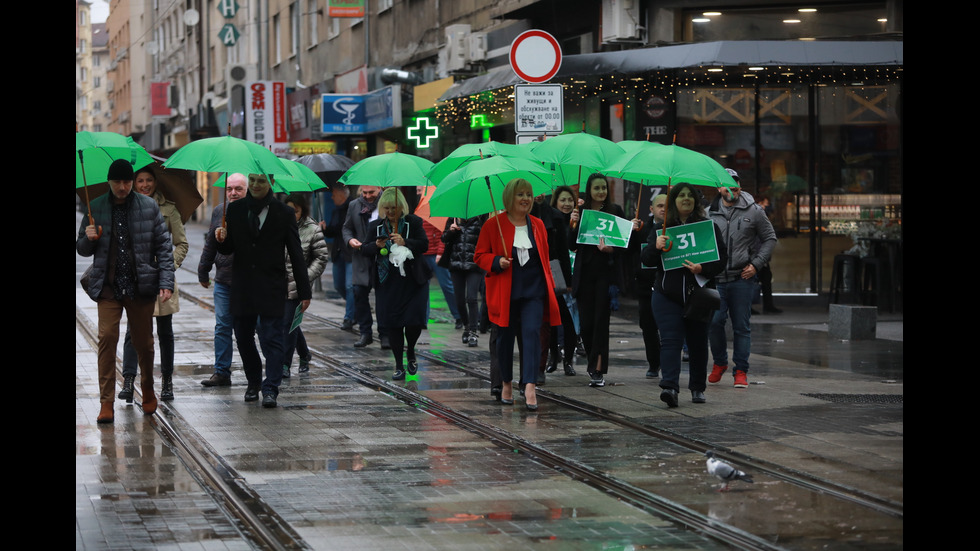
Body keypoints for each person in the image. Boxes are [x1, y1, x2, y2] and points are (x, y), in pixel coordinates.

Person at [77, 159, 175, 423]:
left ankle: (147, 388)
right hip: (108, 287)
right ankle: (105, 401)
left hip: (140, 286)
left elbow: (164, 247)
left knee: (144, 343)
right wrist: (89, 237)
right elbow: (82, 249)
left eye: (127, 182)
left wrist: (166, 282)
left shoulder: (148, 206)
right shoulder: (94, 206)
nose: (123, 187)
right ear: (109, 182)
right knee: (107, 337)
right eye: (118, 182)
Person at [215, 173, 311, 408]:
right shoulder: (235, 210)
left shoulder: (284, 212)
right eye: (253, 180)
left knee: (272, 338)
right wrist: (222, 238)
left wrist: (304, 291)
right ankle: (253, 382)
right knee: (244, 338)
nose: (256, 185)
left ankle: (271, 388)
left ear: (271, 183)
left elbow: (296, 253)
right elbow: (228, 249)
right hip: (242, 286)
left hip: (271, 285)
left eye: (261, 181)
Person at [474, 178, 561, 411]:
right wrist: (496, 261)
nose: (525, 199)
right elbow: (479, 255)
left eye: (528, 194)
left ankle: (530, 384)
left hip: (534, 291)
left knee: (532, 334)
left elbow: (544, 258)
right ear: (509, 198)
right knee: (504, 339)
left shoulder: (538, 225)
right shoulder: (493, 226)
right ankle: (506, 383)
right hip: (505, 292)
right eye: (520, 194)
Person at [641, 182, 726, 407]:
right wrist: (655, 247)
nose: (686, 199)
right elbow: (647, 260)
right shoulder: (661, 228)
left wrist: (702, 269)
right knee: (670, 340)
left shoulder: (708, 227)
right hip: (666, 294)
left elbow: (721, 261)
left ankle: (697, 387)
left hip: (699, 295)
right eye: (681, 196)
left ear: (696, 201)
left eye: (690, 196)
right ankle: (669, 387)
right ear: (674, 202)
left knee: (698, 342)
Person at [120, 166, 188, 402]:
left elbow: (181, 243)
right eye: (140, 180)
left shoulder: (169, 209)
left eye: (149, 180)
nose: (145, 185)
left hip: (162, 279)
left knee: (165, 331)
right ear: (133, 183)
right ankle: (128, 380)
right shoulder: (125, 207)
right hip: (135, 279)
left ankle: (167, 381)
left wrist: (170, 266)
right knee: (133, 331)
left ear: (156, 182)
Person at [707, 169, 777, 389]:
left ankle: (741, 371)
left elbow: (770, 238)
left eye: (735, 184)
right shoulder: (709, 212)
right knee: (714, 322)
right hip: (715, 278)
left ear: (739, 185)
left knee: (741, 326)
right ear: (719, 189)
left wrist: (756, 264)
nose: (731, 189)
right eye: (726, 186)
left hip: (742, 278)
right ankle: (720, 363)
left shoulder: (754, 211)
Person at [360, 188, 429, 380]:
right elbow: (365, 249)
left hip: (413, 281)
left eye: (394, 208)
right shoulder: (376, 226)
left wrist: (405, 241)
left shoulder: (413, 222)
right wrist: (377, 246)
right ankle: (399, 364)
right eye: (387, 208)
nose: (390, 212)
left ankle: (412, 351)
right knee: (393, 324)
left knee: (414, 322)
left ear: (401, 208)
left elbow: (424, 245)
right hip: (387, 283)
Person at [569, 174, 628, 388]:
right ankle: (593, 359)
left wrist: (610, 249)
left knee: (601, 322)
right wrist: (573, 223)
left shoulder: (616, 211)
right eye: (597, 188)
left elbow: (625, 245)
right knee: (585, 324)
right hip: (584, 275)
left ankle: (597, 368)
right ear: (589, 190)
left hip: (605, 275)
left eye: (603, 187)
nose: (601, 191)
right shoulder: (581, 211)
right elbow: (571, 244)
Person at [198, 173, 247, 387]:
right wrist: (203, 269)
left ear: (247, 190)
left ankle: (261, 373)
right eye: (229, 189)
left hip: (249, 282)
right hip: (223, 280)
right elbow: (210, 242)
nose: (233, 193)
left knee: (250, 329)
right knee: (223, 327)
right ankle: (222, 372)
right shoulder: (220, 211)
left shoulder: (253, 212)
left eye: (238, 189)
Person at [282, 194, 329, 378]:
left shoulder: (312, 229)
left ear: (303, 210)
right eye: (289, 211)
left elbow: (321, 257)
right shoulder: (278, 226)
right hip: (278, 283)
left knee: (288, 324)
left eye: (295, 211)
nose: (292, 215)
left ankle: (284, 365)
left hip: (298, 285)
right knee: (289, 322)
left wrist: (305, 277)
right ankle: (304, 353)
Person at [532, 194, 575, 380]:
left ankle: (566, 359)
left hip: (553, 269)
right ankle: (549, 358)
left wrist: (567, 281)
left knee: (561, 315)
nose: (539, 195)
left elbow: (563, 251)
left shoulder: (554, 216)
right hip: (532, 270)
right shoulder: (523, 215)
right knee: (544, 319)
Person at [342, 185, 387, 348]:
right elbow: (347, 227)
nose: (367, 196)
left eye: (371, 193)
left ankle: (385, 334)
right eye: (364, 193)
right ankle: (365, 332)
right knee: (359, 294)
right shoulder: (354, 205)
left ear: (379, 189)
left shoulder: (387, 202)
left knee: (383, 298)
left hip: (382, 258)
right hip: (361, 256)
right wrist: (349, 240)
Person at [630, 192, 666, 379]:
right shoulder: (642, 229)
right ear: (651, 209)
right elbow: (629, 251)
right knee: (648, 326)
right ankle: (653, 363)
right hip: (646, 286)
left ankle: (667, 362)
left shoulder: (676, 228)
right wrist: (631, 230)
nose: (663, 209)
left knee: (669, 327)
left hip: (668, 286)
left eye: (667, 206)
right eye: (660, 205)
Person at [441, 215, 486, 347]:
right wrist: (451, 231)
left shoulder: (479, 222)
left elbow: (486, 242)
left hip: (474, 266)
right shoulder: (453, 220)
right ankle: (466, 326)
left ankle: (473, 331)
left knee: (472, 298)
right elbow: (443, 239)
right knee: (459, 300)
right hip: (456, 265)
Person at [551, 185, 584, 360]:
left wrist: (575, 225)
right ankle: (559, 345)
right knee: (562, 309)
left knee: (575, 307)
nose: (566, 203)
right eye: (562, 200)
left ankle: (576, 340)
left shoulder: (578, 220)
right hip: (558, 275)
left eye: (570, 200)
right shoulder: (552, 221)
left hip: (576, 275)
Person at [320, 183, 356, 329]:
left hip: (351, 252)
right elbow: (334, 232)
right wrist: (325, 229)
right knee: (339, 285)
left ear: (342, 194)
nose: (332, 197)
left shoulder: (352, 207)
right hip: (338, 253)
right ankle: (356, 309)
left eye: (334, 194)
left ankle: (349, 317)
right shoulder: (336, 210)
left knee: (350, 286)